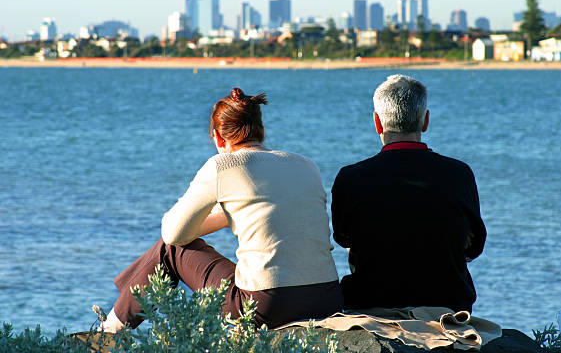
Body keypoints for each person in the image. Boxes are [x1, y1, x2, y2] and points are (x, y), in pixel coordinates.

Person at [101, 87, 342, 332]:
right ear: (261, 131)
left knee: (169, 250)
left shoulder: (224, 165)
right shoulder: (305, 165)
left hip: (265, 306)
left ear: (217, 137)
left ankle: (109, 332)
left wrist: (223, 217)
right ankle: (123, 303)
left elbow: (172, 234)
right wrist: (231, 215)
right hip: (327, 299)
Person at [331, 75, 486, 313]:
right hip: (448, 304)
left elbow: (344, 239)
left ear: (377, 123)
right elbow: (474, 247)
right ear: (425, 121)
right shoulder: (459, 174)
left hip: (371, 302)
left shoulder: (350, 177)